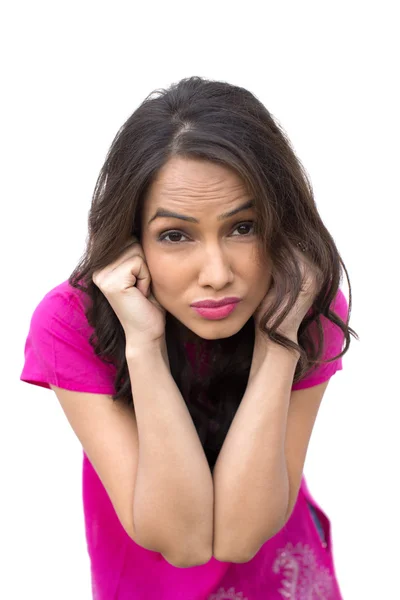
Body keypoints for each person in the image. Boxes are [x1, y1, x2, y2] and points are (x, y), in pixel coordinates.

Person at [20, 76, 358, 600]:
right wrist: (144, 346)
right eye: (176, 235)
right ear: (131, 238)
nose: (217, 274)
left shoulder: (304, 306)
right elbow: (183, 542)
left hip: (279, 572)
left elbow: (242, 537)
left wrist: (278, 342)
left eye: (243, 227)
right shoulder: (73, 321)